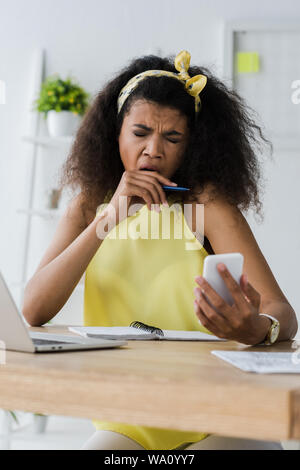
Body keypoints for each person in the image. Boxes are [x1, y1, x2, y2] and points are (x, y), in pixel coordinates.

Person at [22, 50, 297, 450]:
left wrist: (257, 327)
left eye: (172, 138)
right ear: (115, 133)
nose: (153, 149)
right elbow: (33, 309)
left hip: (218, 413)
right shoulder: (88, 207)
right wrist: (108, 218)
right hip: (129, 417)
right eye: (140, 133)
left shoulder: (207, 206)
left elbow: (281, 312)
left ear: (192, 146)